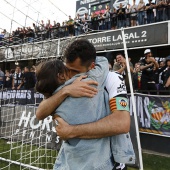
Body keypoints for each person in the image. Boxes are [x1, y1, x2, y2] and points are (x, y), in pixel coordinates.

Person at [36, 39, 135, 169]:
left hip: (109, 163)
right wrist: (65, 91)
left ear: (92, 66)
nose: (70, 75)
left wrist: (71, 131)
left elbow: (122, 123)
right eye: (68, 69)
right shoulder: (65, 84)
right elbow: (40, 113)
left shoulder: (112, 78)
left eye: (75, 71)